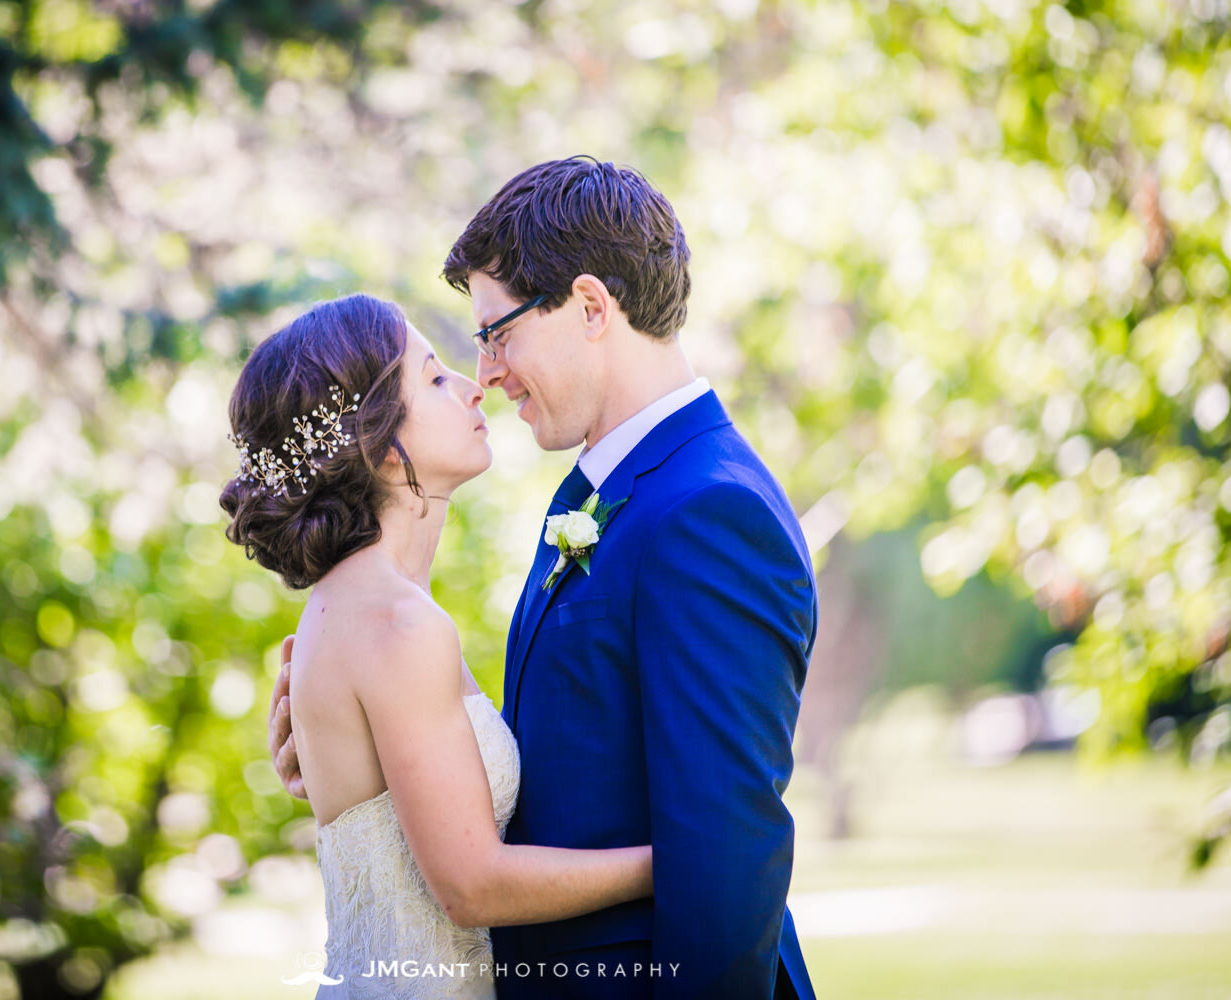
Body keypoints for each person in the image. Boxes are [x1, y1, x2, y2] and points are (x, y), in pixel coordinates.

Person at [269, 158, 819, 999]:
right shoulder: (603, 498)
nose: (485, 372)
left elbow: (725, 860)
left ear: (592, 307)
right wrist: (371, 770)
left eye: (498, 332)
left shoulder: (707, 513)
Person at [222, 293, 654, 999]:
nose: (472, 382)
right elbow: (471, 887)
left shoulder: (355, 606)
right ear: (378, 446)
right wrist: (675, 860)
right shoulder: (394, 623)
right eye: (431, 378)